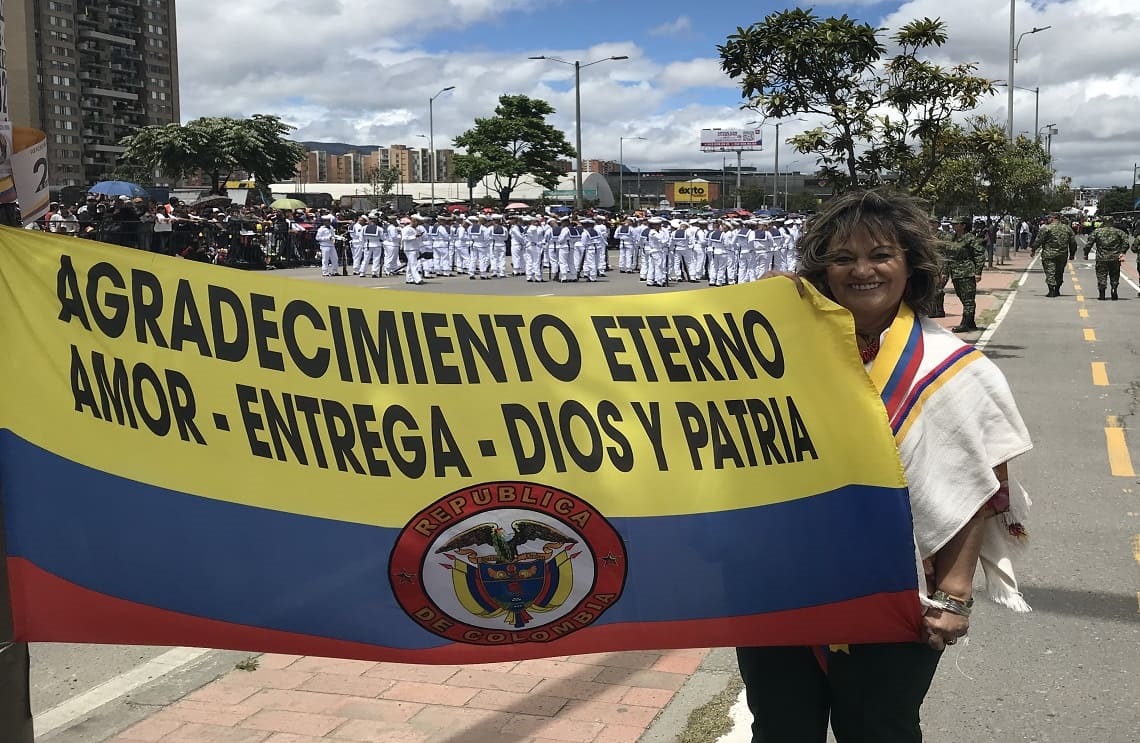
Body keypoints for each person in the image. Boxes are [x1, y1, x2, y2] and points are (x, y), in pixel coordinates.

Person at [739, 189, 1032, 743]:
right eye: (842, 257)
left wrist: (954, 594)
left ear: (909, 266)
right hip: (778, 586)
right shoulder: (772, 354)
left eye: (880, 254)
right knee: (779, 728)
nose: (862, 270)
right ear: (821, 269)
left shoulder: (953, 368)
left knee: (880, 730)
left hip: (899, 594)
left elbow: (978, 490)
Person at [945, 215, 986, 332]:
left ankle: (966, 323)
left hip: (966, 272)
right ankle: (970, 322)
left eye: (955, 224)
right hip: (955, 272)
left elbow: (979, 254)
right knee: (962, 297)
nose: (953, 226)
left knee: (968, 299)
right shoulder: (952, 238)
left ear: (963, 225)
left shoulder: (970, 238)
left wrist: (978, 272)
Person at [1030, 213, 1076, 297]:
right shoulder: (1067, 228)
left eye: (1049, 217)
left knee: (1050, 272)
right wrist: (1072, 254)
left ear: (1054, 218)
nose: (1047, 219)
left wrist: (1033, 249)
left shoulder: (1046, 228)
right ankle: (1057, 289)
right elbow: (1073, 242)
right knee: (1059, 272)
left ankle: (1051, 290)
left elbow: (1039, 240)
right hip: (1062, 254)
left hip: (1049, 254)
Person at [1085, 215, 1130, 300]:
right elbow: (1126, 242)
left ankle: (1102, 293)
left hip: (1101, 258)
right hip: (1115, 257)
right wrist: (1123, 251)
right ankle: (1114, 289)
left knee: (1101, 275)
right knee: (1114, 275)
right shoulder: (1118, 232)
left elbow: (1089, 243)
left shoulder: (1097, 231)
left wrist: (1086, 253)